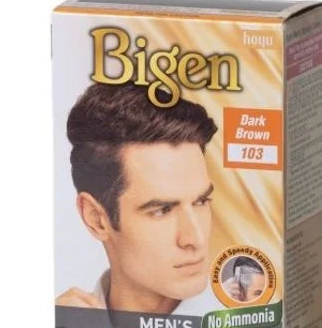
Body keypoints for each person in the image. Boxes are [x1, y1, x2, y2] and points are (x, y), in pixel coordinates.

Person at [56, 82, 220, 315]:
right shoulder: (67, 320)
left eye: (201, 201)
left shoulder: (255, 326)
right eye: (163, 210)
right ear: (96, 219)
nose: (196, 239)